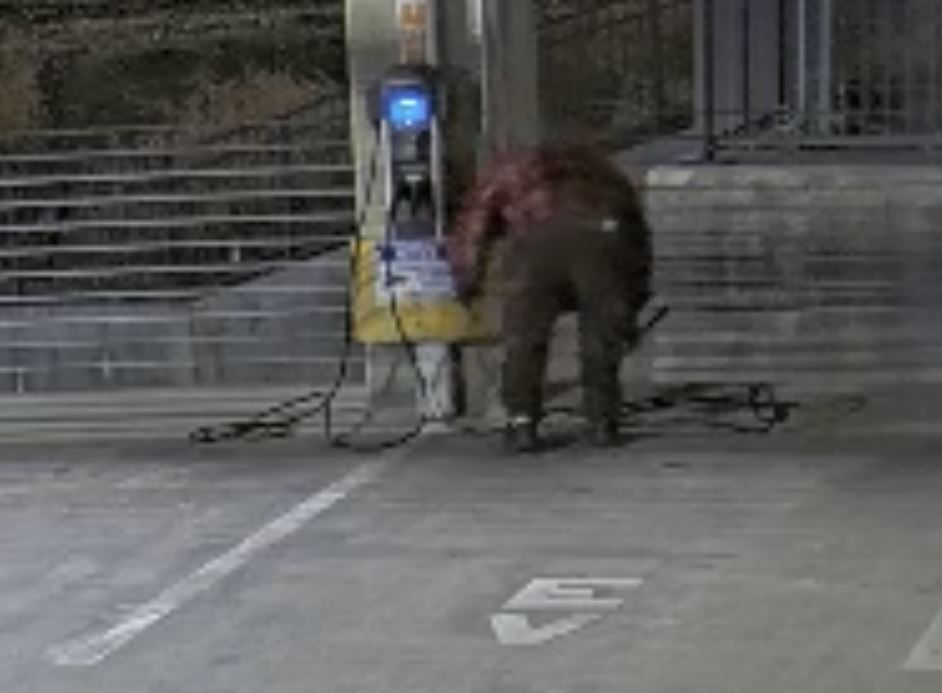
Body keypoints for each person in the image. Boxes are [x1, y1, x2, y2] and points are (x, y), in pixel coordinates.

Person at [447, 144, 652, 452]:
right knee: (600, 338)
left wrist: (465, 281)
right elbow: (637, 235)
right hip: (604, 237)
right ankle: (602, 421)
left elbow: (475, 226)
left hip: (536, 241)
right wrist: (634, 298)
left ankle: (522, 422)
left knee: (525, 336)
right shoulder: (603, 169)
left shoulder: (510, 168)